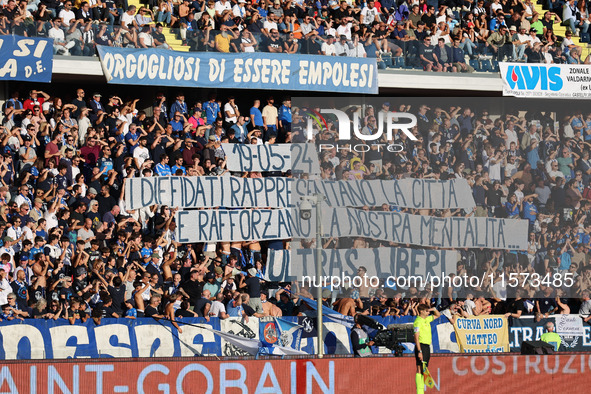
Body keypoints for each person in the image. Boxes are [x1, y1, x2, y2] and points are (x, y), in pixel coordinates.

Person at [414, 304, 440, 393]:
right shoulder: (418, 321)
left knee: (424, 369)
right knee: (420, 368)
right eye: (426, 311)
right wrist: (419, 351)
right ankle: (420, 392)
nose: (428, 312)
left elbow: (437, 315)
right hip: (421, 346)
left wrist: (433, 309)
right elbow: (416, 338)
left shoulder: (427, 319)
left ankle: (421, 391)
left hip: (427, 346)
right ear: (421, 311)